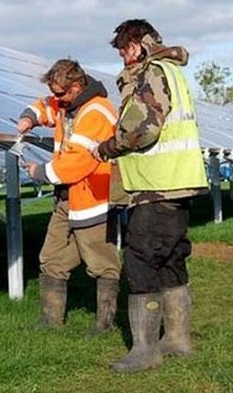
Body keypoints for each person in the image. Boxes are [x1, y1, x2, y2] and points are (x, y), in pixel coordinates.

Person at [93, 19, 209, 373]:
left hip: (156, 187)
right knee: (171, 258)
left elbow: (142, 129)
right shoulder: (170, 71)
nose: (123, 59)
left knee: (141, 259)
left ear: (139, 45)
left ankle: (145, 350)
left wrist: (108, 147)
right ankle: (177, 339)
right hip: (177, 183)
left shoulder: (151, 73)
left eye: (125, 51)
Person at [17, 58, 122, 334]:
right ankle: (50, 321)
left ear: (77, 86)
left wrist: (39, 171)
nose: (56, 99)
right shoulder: (67, 105)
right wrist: (29, 117)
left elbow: (77, 163)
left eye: (61, 93)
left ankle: (105, 324)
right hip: (67, 199)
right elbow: (45, 106)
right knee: (51, 258)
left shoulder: (96, 112)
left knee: (101, 263)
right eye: (54, 93)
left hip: (93, 201)